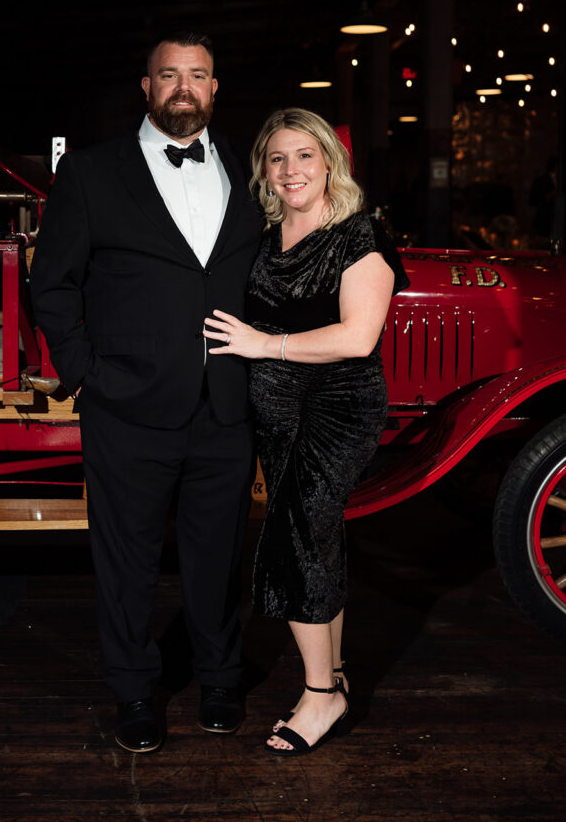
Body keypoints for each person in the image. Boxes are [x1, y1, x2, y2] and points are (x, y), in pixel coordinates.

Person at [30, 31, 262, 754]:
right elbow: (53, 283)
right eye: (169, 75)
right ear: (146, 86)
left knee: (218, 554)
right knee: (126, 558)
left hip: (226, 401)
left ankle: (221, 676)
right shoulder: (95, 174)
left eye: (197, 75)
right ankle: (133, 688)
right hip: (126, 403)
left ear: (215, 87)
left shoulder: (249, 170)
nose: (183, 87)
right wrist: (84, 371)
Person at [203, 107, 408, 757]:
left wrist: (264, 344)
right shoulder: (261, 233)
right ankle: (335, 673)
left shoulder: (358, 235)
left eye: (304, 156)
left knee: (296, 533)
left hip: (337, 406)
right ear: (264, 170)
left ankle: (321, 695)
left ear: (329, 163)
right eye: (277, 158)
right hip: (277, 410)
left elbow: (356, 336)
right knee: (315, 535)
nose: (291, 170)